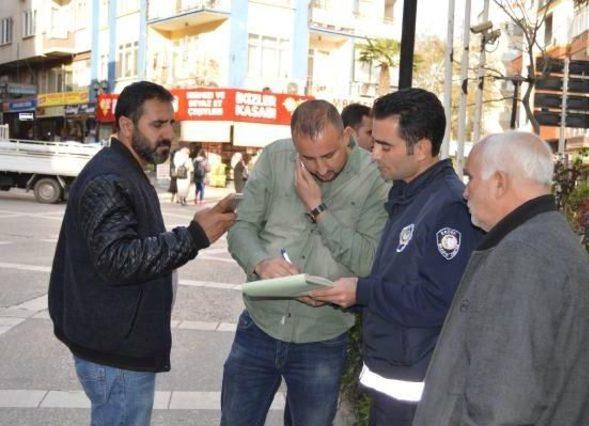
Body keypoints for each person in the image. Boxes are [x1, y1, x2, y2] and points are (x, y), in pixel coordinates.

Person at [48, 81, 236, 426]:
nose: (169, 134)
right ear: (126, 125)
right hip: (115, 352)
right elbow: (118, 260)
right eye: (158, 124)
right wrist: (194, 236)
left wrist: (200, 227)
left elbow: (132, 245)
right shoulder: (110, 177)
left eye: (171, 124)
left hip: (118, 343)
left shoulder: (126, 169)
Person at [411, 131, 589, 425]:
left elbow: (501, 404)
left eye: (470, 179)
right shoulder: (546, 238)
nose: (465, 192)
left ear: (499, 182)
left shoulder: (524, 255)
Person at [310, 88, 483, 425]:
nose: (374, 154)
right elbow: (397, 281)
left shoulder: (447, 207)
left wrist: (362, 292)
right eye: (374, 143)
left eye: (385, 146)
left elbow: (440, 300)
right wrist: (347, 295)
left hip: (416, 388)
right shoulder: (408, 197)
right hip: (393, 377)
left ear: (421, 148)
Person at [222, 99, 389, 426]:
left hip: (323, 339)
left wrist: (318, 208)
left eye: (329, 155)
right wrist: (261, 264)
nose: (322, 168)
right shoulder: (275, 157)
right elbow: (242, 229)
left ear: (347, 136)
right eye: (308, 158)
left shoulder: (374, 176)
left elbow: (368, 261)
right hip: (259, 325)